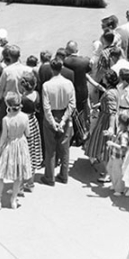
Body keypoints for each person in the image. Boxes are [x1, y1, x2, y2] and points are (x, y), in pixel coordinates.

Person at [0, 94, 32, 210]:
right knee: (18, 174)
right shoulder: (25, 117)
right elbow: (28, 133)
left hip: (10, 144)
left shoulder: (6, 119)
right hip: (21, 144)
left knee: (0, 173)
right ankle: (13, 200)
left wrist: (0, 147)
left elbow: (4, 136)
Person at [41, 58, 76, 186]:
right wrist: (63, 121)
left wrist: (52, 122)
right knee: (65, 148)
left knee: (50, 148)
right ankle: (64, 175)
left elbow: (46, 107)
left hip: (51, 116)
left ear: (51, 68)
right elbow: (72, 105)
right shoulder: (69, 84)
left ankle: (49, 177)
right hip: (64, 116)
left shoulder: (46, 85)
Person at [107, 112, 129, 196]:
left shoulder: (124, 135)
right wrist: (112, 136)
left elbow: (123, 147)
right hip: (114, 155)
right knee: (110, 169)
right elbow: (118, 139)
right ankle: (114, 184)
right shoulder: (121, 132)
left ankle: (119, 189)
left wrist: (112, 144)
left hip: (119, 157)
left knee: (117, 173)